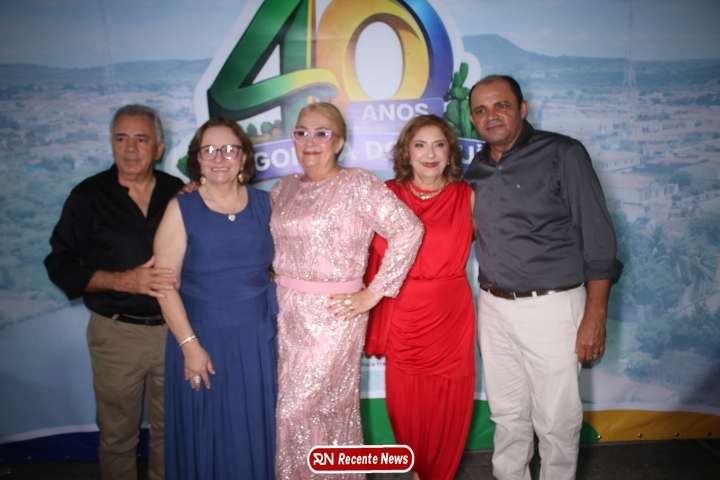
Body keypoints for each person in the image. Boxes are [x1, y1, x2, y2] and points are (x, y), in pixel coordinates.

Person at [464, 75, 624, 480]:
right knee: (507, 415)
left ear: (523, 108)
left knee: (556, 421)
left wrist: (595, 316)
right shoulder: (476, 168)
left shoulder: (563, 154)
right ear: (473, 120)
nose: (491, 116)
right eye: (481, 110)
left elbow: (599, 242)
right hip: (494, 307)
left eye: (501, 105)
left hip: (553, 307)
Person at [270, 102, 424, 479]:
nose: (310, 141)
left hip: (335, 315)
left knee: (295, 411)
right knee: (317, 412)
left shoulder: (357, 183)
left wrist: (375, 292)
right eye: (302, 132)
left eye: (321, 133)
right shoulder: (282, 188)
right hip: (286, 313)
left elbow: (408, 230)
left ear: (338, 142)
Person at [44, 105, 184, 480]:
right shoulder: (87, 196)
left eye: (141, 139)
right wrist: (124, 281)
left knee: (171, 433)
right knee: (117, 437)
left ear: (159, 148)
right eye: (121, 138)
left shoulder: (179, 192)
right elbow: (59, 265)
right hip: (116, 335)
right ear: (111, 145)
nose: (130, 148)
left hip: (175, 335)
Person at [153, 118, 277, 479]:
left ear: (244, 157)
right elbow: (165, 286)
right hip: (202, 341)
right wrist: (190, 347)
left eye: (229, 149)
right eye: (208, 150)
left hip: (259, 343)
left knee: (257, 432)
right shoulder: (181, 209)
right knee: (209, 433)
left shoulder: (268, 204)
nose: (219, 158)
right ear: (197, 158)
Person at [364, 115, 476, 480]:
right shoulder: (386, 195)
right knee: (406, 406)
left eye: (439, 145)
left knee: (448, 403)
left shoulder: (467, 197)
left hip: (451, 317)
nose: (430, 154)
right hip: (404, 314)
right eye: (420, 145)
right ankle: (416, 473)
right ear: (406, 152)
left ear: (450, 153)